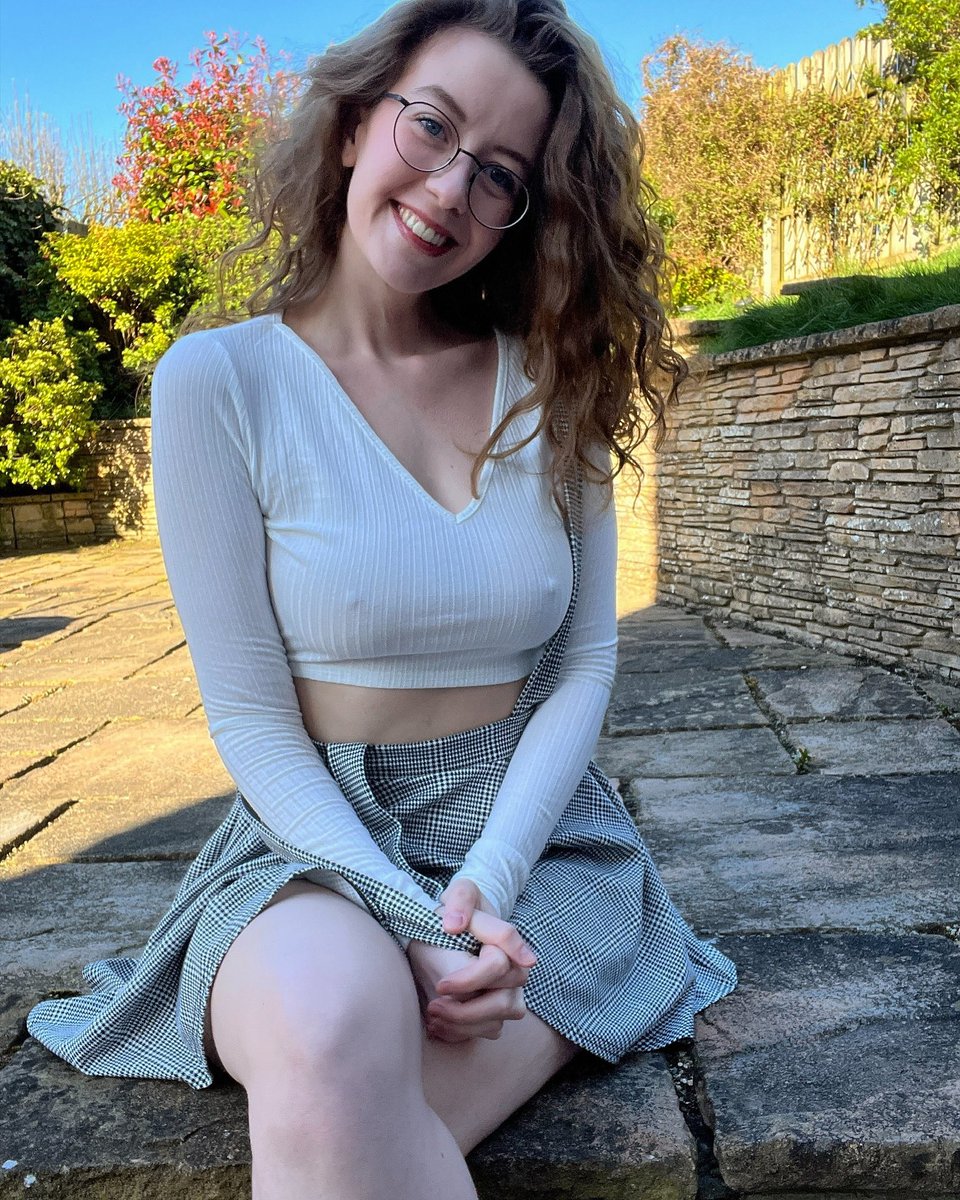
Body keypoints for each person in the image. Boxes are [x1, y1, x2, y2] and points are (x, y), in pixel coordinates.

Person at [27, 2, 738, 1197]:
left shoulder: (551, 377)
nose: (452, 188)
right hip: (317, 837)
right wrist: (411, 920)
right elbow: (252, 718)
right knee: (326, 1030)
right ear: (358, 123)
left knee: (345, 1117)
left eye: (500, 174)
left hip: (539, 843)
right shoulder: (221, 382)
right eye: (434, 127)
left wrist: (488, 883)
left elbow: (581, 662)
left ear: (526, 211)